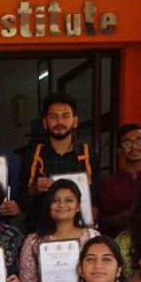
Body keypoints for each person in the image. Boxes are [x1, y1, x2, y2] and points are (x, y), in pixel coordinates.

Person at [19, 93, 100, 232]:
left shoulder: (88, 154)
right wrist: (33, 190)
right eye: (53, 116)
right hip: (40, 232)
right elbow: (20, 202)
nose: (59, 122)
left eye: (65, 116)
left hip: (79, 231)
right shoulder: (33, 155)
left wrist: (89, 228)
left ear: (75, 121)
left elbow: (96, 197)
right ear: (45, 123)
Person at [98, 124, 141, 236]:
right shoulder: (108, 183)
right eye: (127, 143)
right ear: (119, 151)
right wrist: (126, 215)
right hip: (118, 242)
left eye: (139, 141)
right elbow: (102, 222)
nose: (134, 147)